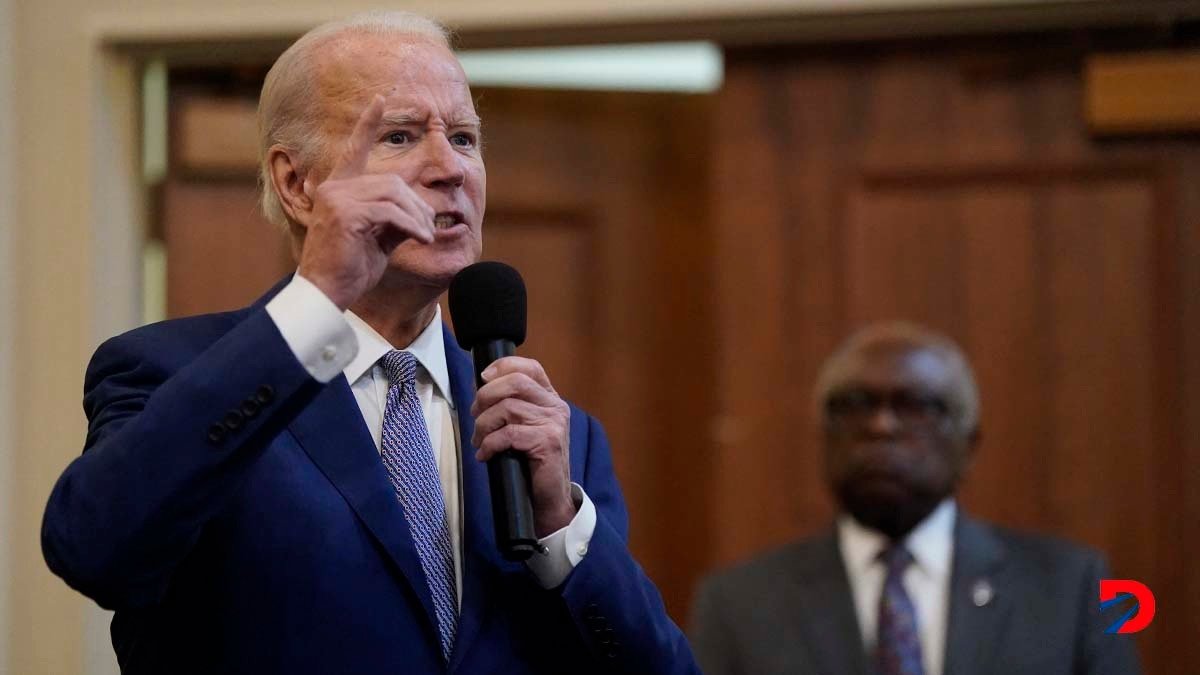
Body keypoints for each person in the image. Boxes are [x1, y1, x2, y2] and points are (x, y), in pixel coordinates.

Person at [41, 11, 697, 674]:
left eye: (465, 138)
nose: (450, 169)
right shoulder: (165, 371)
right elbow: (93, 549)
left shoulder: (559, 439)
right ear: (298, 184)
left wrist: (561, 526)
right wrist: (318, 294)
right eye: (402, 135)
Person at [688, 322, 1141, 675]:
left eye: (917, 405)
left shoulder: (1074, 590)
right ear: (824, 437)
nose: (880, 426)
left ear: (969, 444)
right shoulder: (739, 604)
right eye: (854, 405)